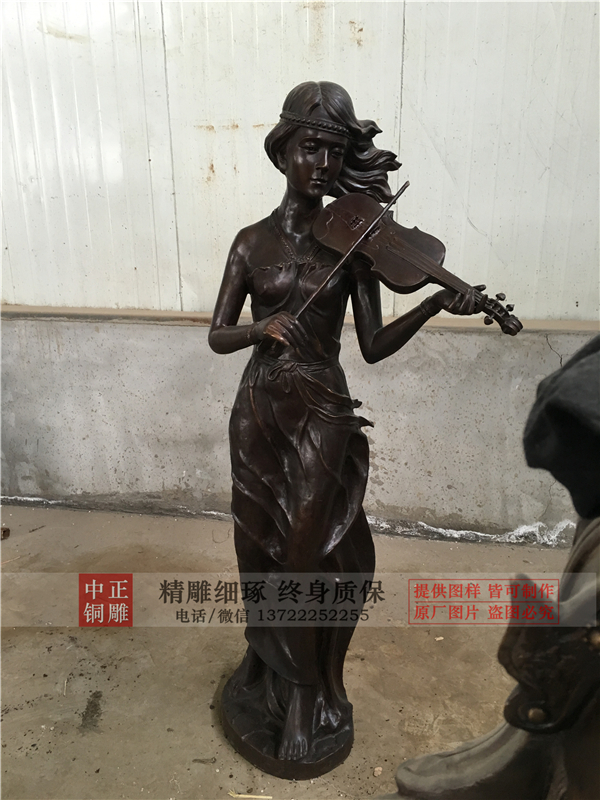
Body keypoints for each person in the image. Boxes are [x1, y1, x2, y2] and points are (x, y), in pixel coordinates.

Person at [209, 81, 486, 774]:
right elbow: (217, 335)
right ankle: (260, 659)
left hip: (322, 413)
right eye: (311, 148)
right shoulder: (250, 242)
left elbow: (372, 345)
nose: (324, 164)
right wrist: (259, 329)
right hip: (258, 411)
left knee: (306, 553)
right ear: (283, 152)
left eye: (335, 152)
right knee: (257, 547)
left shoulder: (356, 242)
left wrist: (432, 306)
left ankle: (304, 694)